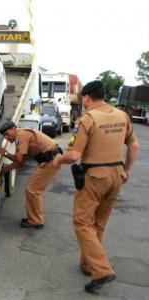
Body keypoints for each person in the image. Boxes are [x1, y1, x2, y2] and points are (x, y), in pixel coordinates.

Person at [53, 80, 140, 293]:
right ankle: (87, 264)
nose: (82, 101)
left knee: (82, 222)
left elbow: (74, 154)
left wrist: (57, 161)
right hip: (117, 175)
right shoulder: (122, 116)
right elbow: (134, 146)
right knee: (98, 224)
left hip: (95, 176)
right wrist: (127, 170)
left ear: (88, 97)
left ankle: (101, 270)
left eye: (83, 97)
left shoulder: (87, 119)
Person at [0, 120, 62, 229]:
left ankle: (36, 221)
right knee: (32, 189)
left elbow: (19, 161)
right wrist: (5, 169)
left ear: (14, 128)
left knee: (33, 190)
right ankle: (35, 219)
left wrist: (5, 156)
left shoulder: (20, 135)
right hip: (48, 160)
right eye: (4, 136)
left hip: (50, 161)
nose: (7, 138)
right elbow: (21, 160)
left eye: (7, 134)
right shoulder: (22, 134)